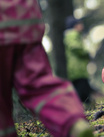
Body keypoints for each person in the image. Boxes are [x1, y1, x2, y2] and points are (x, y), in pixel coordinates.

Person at [0, 1, 93, 137]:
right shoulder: (73, 37)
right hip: (25, 18)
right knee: (39, 82)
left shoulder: (70, 37)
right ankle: (70, 119)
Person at [64, 16, 96, 105]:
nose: (82, 26)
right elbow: (75, 47)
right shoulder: (72, 35)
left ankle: (84, 107)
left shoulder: (72, 35)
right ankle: (84, 108)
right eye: (80, 24)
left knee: (81, 89)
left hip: (77, 68)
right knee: (82, 90)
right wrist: (86, 52)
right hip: (77, 68)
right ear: (75, 25)